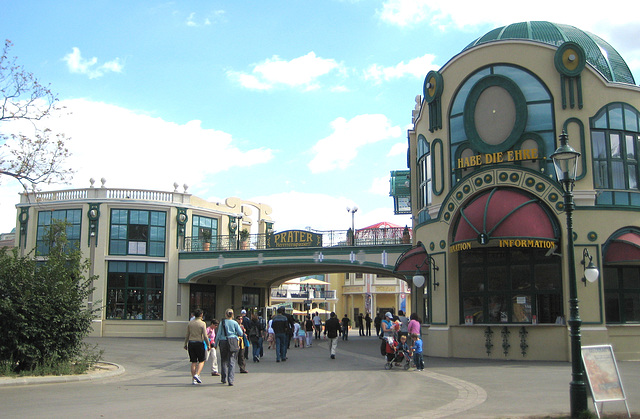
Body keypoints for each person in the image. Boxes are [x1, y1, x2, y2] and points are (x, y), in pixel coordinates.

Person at [215, 308, 244, 386]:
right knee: (232, 360)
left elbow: (218, 333)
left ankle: (223, 378)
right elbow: (241, 333)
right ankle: (230, 380)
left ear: (226, 314)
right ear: (233, 315)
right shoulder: (235, 323)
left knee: (223, 360)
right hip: (233, 341)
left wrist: (215, 343)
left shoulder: (222, 322)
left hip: (223, 341)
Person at [184, 308, 208, 385]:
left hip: (191, 342)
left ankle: (193, 379)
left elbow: (187, 334)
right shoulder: (202, 323)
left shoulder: (190, 323)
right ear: (201, 315)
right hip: (199, 342)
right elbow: (205, 335)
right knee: (201, 360)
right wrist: (208, 344)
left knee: (193, 361)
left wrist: (185, 344)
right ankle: (197, 374)